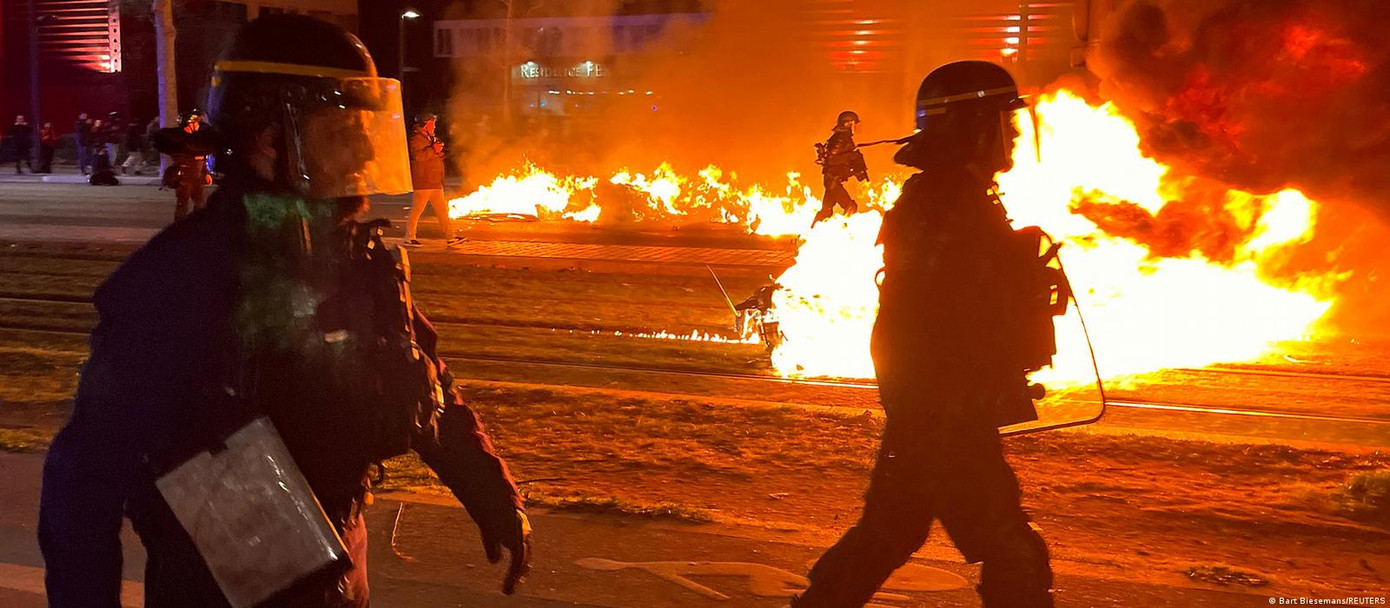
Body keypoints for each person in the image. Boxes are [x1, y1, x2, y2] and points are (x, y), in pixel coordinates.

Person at [39, 15, 531, 607]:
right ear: (271, 140)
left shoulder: (356, 256)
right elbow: (84, 479)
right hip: (220, 591)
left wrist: (491, 493)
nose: (367, 148)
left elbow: (424, 378)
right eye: (344, 128)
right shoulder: (179, 281)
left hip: (341, 574)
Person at [793, 62, 1054, 608]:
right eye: (1002, 123)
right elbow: (927, 316)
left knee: (890, 533)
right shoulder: (945, 203)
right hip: (945, 413)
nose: (1010, 135)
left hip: (936, 409)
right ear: (974, 127)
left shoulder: (958, 197)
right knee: (1013, 551)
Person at [404, 112, 463, 246]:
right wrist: (434, 150)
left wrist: (438, 152)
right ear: (426, 124)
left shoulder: (429, 137)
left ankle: (451, 237)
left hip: (434, 181)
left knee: (442, 210)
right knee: (417, 210)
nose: (434, 126)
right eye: (432, 123)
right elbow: (418, 157)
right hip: (424, 181)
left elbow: (429, 155)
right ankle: (409, 237)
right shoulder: (417, 139)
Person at [153, 110, 214, 221]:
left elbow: (202, 156)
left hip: (197, 177)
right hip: (185, 177)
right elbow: (177, 156)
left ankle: (197, 225)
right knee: (183, 204)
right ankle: (178, 227)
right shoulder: (180, 139)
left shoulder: (198, 138)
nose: (197, 125)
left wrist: (206, 173)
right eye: (195, 122)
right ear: (189, 123)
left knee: (201, 204)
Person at [811, 110, 868, 227]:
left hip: (832, 180)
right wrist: (854, 158)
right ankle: (845, 233)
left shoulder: (840, 137)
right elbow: (833, 157)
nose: (856, 127)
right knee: (850, 207)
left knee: (826, 211)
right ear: (848, 124)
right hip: (833, 180)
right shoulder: (841, 137)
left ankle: (810, 233)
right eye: (854, 123)